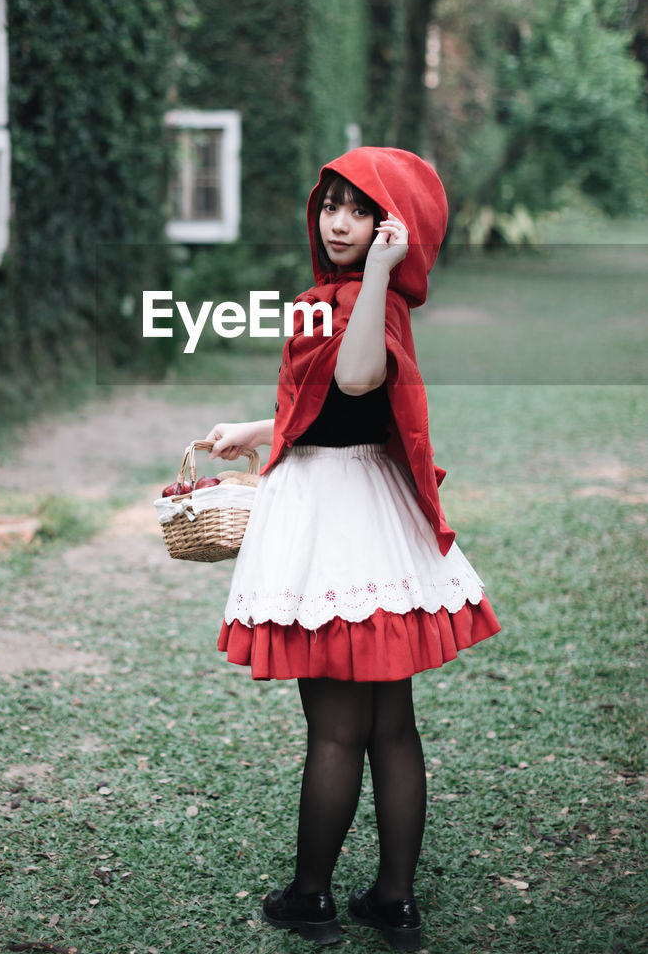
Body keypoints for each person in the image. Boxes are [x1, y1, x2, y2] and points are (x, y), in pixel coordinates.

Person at [205, 146, 500, 950]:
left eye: (358, 209)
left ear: (390, 227)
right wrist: (254, 429)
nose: (338, 221)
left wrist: (376, 275)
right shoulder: (337, 299)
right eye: (330, 203)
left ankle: (311, 898)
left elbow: (362, 378)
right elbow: (330, 407)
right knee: (388, 725)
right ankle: (393, 902)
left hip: (337, 523)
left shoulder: (371, 300)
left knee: (340, 729)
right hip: (365, 511)